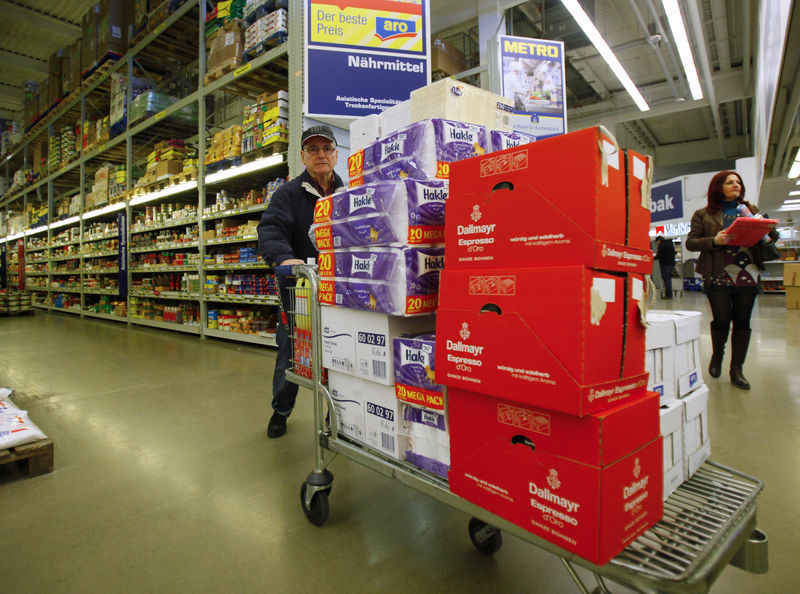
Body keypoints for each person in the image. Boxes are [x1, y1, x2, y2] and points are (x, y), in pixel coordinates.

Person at [257, 125, 345, 437]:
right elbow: (270, 231)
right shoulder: (287, 194)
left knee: (341, 354)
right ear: (303, 156)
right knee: (291, 352)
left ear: (335, 154)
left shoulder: (347, 193)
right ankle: (281, 410)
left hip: (340, 292)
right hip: (301, 293)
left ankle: (339, 418)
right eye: (313, 149)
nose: (320, 154)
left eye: (326, 149)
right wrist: (285, 258)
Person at [685, 170, 779, 390]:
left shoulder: (751, 210)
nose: (736, 185)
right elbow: (691, 243)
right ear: (719, 187)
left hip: (748, 271)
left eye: (738, 182)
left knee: (743, 322)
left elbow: (771, 237)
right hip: (718, 271)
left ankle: (737, 369)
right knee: (721, 319)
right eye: (730, 182)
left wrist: (768, 230)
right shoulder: (703, 214)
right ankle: (718, 354)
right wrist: (714, 240)